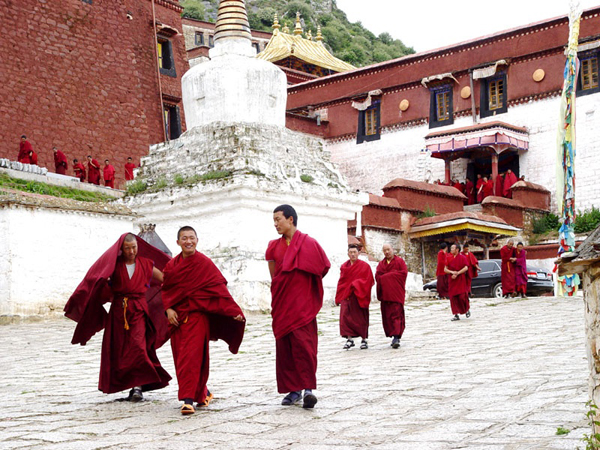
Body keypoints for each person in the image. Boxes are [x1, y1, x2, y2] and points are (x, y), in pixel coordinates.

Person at [64, 233, 172, 401]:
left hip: (138, 310)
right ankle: (131, 385)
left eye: (134, 247)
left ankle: (138, 386)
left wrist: (173, 298)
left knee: (138, 346)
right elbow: (98, 281)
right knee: (120, 349)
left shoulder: (147, 264)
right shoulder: (114, 266)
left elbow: (166, 280)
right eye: (127, 248)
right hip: (118, 312)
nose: (131, 251)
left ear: (138, 247)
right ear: (121, 249)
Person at [162, 226, 245, 415]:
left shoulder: (204, 263)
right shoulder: (171, 267)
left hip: (197, 318)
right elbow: (166, 290)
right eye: (184, 238)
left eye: (191, 238)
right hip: (177, 320)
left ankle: (188, 400)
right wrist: (168, 309)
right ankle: (203, 392)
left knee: (192, 358)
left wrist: (233, 311)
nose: (188, 241)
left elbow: (218, 289)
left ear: (197, 240)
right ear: (178, 242)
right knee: (181, 360)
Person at [266, 204, 330, 409]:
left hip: (303, 306)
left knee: (305, 346)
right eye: (274, 220)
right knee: (286, 348)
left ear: (291, 219)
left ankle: (308, 389)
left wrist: (305, 291)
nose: (275, 223)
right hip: (283, 304)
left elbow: (322, 268)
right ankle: (293, 390)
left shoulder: (309, 243)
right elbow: (275, 277)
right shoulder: (273, 246)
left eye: (278, 219)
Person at [335, 244, 374, 350]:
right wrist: (339, 295)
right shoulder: (344, 267)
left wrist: (356, 284)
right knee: (345, 318)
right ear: (348, 253)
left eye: (354, 252)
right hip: (347, 296)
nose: (353, 254)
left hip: (359, 296)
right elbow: (342, 282)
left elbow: (369, 281)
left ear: (359, 253)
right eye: (351, 252)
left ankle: (364, 339)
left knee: (361, 318)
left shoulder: (364, 266)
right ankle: (349, 339)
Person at [375, 244, 408, 349]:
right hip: (385, 295)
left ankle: (396, 337)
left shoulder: (399, 262)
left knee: (396, 315)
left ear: (392, 250)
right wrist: (390, 275)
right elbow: (377, 276)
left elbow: (403, 274)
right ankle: (393, 335)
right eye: (384, 250)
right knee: (388, 316)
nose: (387, 252)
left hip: (396, 294)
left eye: (388, 249)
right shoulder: (381, 264)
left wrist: (388, 276)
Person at [444, 244, 470, 321]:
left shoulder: (462, 257)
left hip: (460, 279)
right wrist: (452, 272)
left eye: (452, 248)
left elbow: (466, 267)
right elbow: (445, 269)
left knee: (462, 297)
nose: (451, 249)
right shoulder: (448, 257)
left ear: (457, 249)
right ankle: (456, 314)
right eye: (451, 248)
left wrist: (457, 273)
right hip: (452, 280)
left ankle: (466, 309)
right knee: (453, 298)